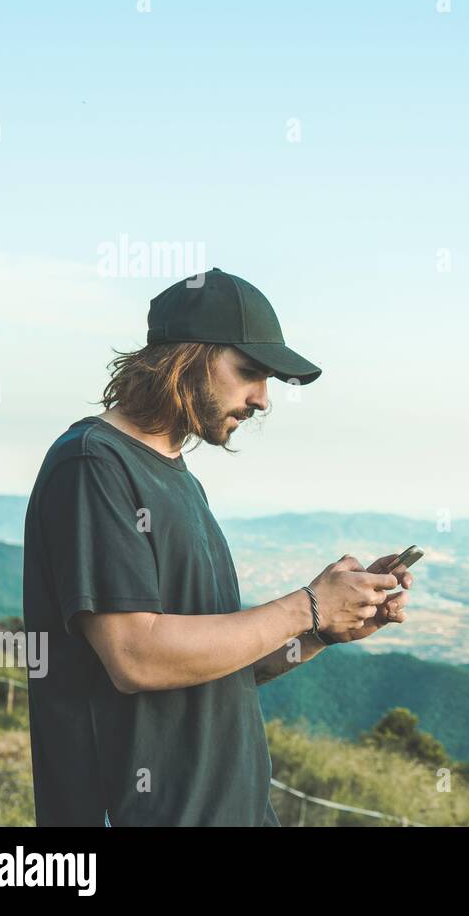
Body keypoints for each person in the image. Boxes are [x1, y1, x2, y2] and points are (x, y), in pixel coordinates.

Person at [21, 267, 414, 826]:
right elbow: (136, 657)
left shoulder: (179, 480)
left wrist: (324, 630)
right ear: (185, 357)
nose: (262, 400)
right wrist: (308, 604)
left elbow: (222, 667)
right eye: (249, 372)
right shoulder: (93, 464)